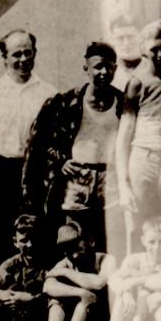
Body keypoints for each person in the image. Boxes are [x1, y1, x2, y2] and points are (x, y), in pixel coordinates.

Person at [22, 41, 123, 253]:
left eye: (109, 66)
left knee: (110, 236)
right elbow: (39, 142)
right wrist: (60, 162)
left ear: (115, 68)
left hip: (112, 177)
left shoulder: (123, 103)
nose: (103, 72)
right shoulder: (66, 102)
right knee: (73, 236)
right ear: (86, 69)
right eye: (98, 67)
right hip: (78, 178)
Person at [0, 29, 55, 268]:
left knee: (36, 242)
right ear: (4, 58)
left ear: (35, 53)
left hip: (33, 177)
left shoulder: (48, 93)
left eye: (28, 53)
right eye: (17, 54)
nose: (23, 59)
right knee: (0, 244)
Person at [113, 22, 161, 262]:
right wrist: (124, 185)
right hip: (143, 157)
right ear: (144, 50)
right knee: (138, 224)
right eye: (154, 50)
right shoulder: (136, 83)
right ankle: (134, 286)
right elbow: (124, 135)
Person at [38, 220, 108, 321]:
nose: (72, 252)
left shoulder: (104, 259)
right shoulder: (65, 263)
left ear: (90, 241)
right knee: (56, 300)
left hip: (100, 319)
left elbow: (98, 283)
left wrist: (65, 272)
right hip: (78, 316)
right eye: (67, 247)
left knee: (86, 299)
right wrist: (79, 292)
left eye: (76, 244)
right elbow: (48, 286)